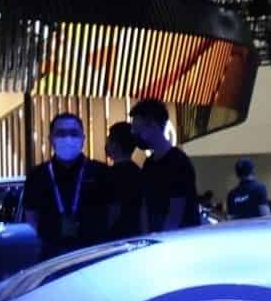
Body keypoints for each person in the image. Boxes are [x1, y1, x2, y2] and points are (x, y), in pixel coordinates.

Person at [23, 113, 113, 261]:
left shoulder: (101, 172)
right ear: (51, 139)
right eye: (61, 133)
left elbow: (112, 212)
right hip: (50, 255)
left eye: (73, 133)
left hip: (94, 253)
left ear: (83, 138)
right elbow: (31, 216)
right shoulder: (37, 175)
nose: (68, 138)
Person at [129, 99, 200, 233]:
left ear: (152, 124)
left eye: (137, 128)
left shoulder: (178, 162)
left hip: (178, 239)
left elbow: (176, 211)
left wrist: (162, 238)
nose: (133, 133)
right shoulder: (148, 163)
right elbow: (145, 205)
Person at [104, 121, 143, 239]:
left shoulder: (111, 175)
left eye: (108, 140)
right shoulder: (138, 172)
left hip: (115, 238)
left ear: (115, 145)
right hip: (136, 234)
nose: (106, 144)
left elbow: (113, 211)